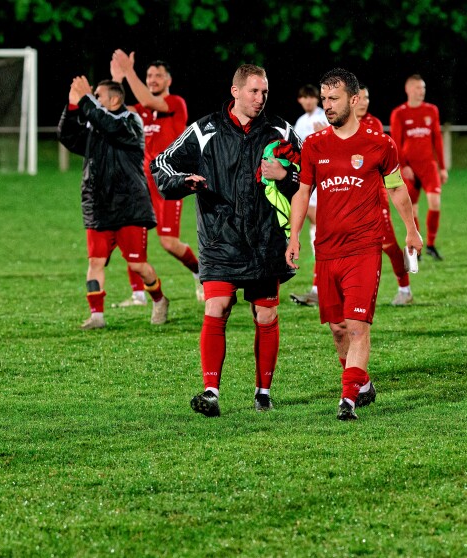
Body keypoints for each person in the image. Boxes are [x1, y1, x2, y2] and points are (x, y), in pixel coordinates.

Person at [152, 64, 302, 417]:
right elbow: (162, 163)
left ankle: (263, 392)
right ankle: (211, 391)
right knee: (215, 307)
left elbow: (310, 173)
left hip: (265, 241)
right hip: (219, 240)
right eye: (253, 91)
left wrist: (287, 174)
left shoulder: (280, 130)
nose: (260, 98)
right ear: (235, 91)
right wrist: (183, 181)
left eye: (264, 92)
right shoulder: (204, 130)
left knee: (265, 315)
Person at [286, 68, 422, 420]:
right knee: (338, 330)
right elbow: (303, 192)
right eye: (324, 98)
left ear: (354, 100)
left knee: (358, 325)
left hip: (364, 248)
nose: (326, 105)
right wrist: (295, 235)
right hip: (328, 250)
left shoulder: (379, 143)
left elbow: (396, 189)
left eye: (334, 98)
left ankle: (347, 400)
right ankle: (361, 384)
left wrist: (411, 229)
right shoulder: (314, 145)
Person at [58, 76, 170, 330]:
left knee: (137, 265)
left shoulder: (130, 122)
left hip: (129, 206)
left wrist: (86, 100)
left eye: (98, 95)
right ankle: (97, 315)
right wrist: (73, 105)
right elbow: (66, 135)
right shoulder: (95, 125)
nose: (95, 100)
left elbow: (110, 124)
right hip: (98, 205)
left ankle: (160, 300)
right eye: (93, 96)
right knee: (95, 261)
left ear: (115, 99)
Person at [110, 51, 201, 306]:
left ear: (168, 80)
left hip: (168, 181)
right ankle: (138, 294)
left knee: (169, 242)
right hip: (141, 183)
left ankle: (198, 272)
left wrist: (129, 72)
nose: (152, 79)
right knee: (131, 234)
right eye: (149, 75)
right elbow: (112, 107)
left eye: (158, 75)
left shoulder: (175, 104)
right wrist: (116, 81)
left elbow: (149, 101)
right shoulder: (140, 109)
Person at [358, 84, 415, 306]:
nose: (364, 102)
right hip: (354, 194)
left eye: (367, 97)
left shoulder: (374, 124)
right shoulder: (342, 125)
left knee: (388, 245)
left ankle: (405, 288)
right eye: (360, 98)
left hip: (375, 192)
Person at [390, 74, 447, 260]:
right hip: (410, 168)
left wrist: (442, 166)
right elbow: (396, 142)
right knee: (412, 210)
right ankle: (418, 246)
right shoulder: (399, 113)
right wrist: (403, 166)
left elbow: (437, 139)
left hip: (429, 166)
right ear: (408, 89)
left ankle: (431, 244)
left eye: (423, 88)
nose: (421, 91)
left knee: (435, 203)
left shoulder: (431, 110)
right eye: (417, 88)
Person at [288, 85, 330, 307]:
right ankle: (319, 283)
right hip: (306, 180)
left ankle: (320, 284)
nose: (308, 101)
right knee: (311, 226)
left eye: (311, 97)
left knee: (317, 227)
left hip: (322, 180)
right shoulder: (301, 121)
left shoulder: (324, 118)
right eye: (304, 98)